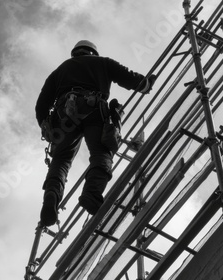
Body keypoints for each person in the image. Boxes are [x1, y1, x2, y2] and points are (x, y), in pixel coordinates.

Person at [35, 40, 156, 227]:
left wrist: (46, 124)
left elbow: (41, 104)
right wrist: (146, 84)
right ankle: (91, 195)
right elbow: (128, 77)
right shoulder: (103, 63)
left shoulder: (60, 71)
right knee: (101, 153)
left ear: (75, 53)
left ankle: (52, 195)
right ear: (93, 52)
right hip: (94, 109)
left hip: (64, 115)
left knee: (62, 160)